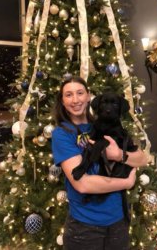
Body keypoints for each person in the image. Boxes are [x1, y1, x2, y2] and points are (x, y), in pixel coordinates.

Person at [51, 75, 148, 250]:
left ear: (88, 96)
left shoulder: (104, 123)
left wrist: (119, 154)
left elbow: (142, 158)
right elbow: (82, 184)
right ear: (62, 101)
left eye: (80, 93)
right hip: (85, 226)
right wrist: (126, 182)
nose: (75, 100)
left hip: (118, 219)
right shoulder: (62, 134)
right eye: (68, 95)